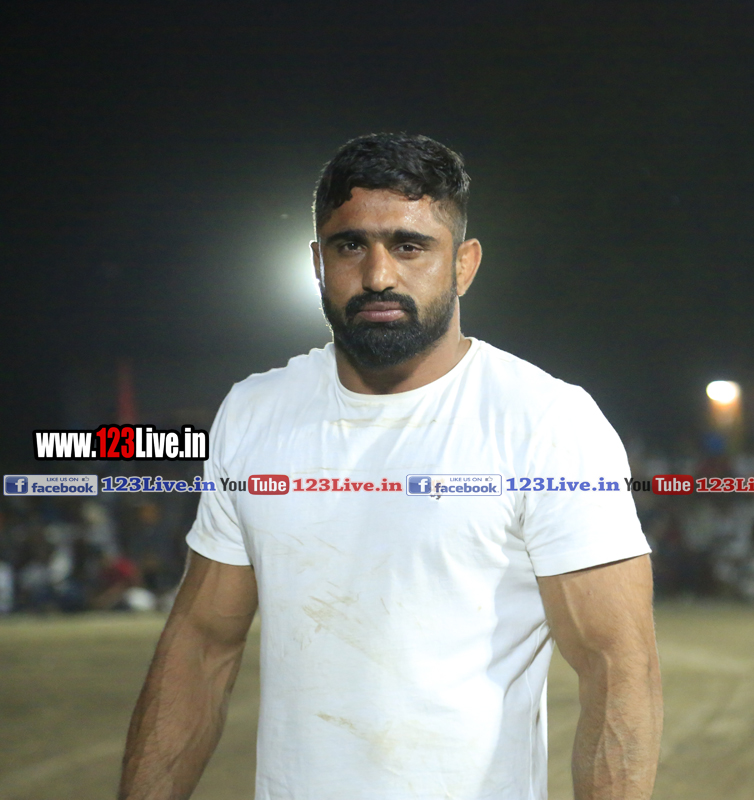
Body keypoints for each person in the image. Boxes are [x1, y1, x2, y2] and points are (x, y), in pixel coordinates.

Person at [118, 133, 662, 800]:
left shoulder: (545, 421)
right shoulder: (255, 413)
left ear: (463, 265)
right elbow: (201, 645)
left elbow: (618, 668)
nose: (378, 276)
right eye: (351, 246)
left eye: (410, 246)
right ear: (318, 263)